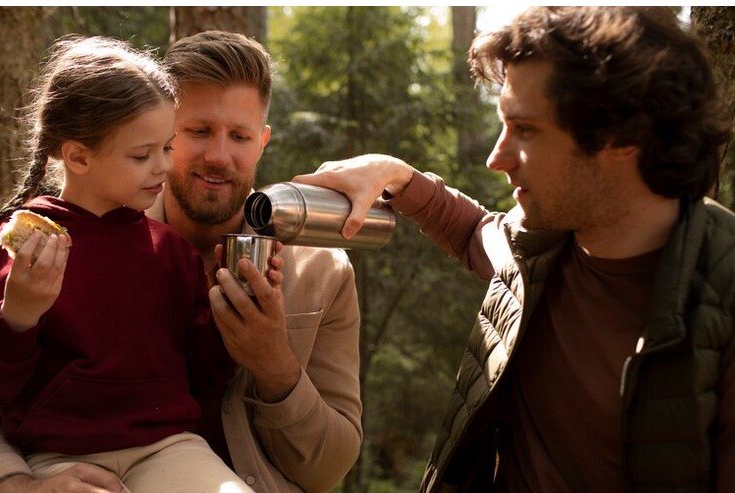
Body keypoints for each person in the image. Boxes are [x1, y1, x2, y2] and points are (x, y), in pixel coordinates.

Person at [293, 6, 735, 492]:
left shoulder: (722, 290)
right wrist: (394, 173)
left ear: (621, 136)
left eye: (524, 130)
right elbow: (475, 231)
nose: (496, 157)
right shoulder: (537, 242)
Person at [0, 31, 363, 493]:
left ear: (261, 141)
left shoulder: (319, 270)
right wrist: (14, 486)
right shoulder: (43, 237)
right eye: (197, 132)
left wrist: (271, 361)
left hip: (179, 459)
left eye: (239, 136)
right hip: (63, 461)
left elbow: (329, 470)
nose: (219, 155)